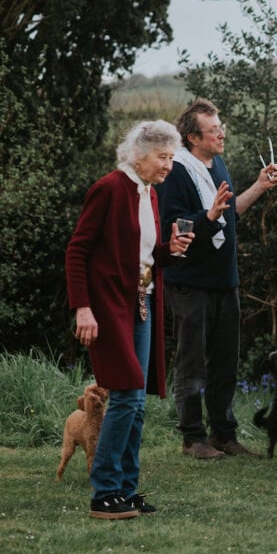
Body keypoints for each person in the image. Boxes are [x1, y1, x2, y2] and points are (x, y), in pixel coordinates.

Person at [65, 120, 191, 519]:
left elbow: (145, 259)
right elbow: (77, 251)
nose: (168, 165)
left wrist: (170, 249)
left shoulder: (149, 194)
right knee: (126, 393)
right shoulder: (108, 188)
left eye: (172, 158)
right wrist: (83, 307)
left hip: (142, 303)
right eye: (162, 157)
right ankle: (104, 491)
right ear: (139, 155)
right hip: (108, 307)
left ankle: (126, 490)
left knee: (136, 402)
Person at [158, 98, 277, 460]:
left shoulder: (218, 164)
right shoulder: (177, 170)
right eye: (214, 131)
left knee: (225, 363)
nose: (222, 134)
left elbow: (229, 215)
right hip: (190, 281)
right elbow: (175, 227)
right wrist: (207, 217)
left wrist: (259, 186)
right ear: (193, 137)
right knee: (192, 362)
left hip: (224, 279)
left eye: (220, 127)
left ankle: (224, 435)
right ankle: (193, 439)